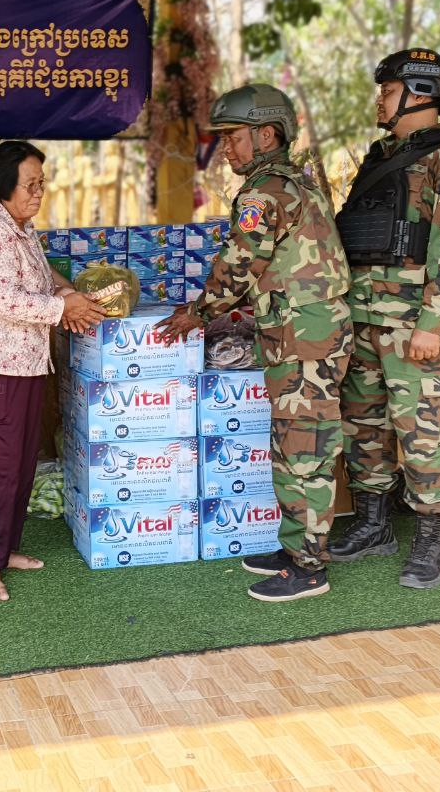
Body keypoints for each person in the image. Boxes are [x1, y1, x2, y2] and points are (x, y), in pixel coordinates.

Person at [158, 84, 353, 603]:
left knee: (303, 450)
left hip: (305, 338)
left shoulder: (264, 191)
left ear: (267, 134)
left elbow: (240, 264)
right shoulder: (293, 181)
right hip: (304, 331)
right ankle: (296, 549)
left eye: (233, 137)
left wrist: (198, 313)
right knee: (293, 444)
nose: (225, 148)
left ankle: (309, 568)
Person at [331, 49, 440, 590]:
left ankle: (432, 538)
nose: (380, 99)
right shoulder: (381, 156)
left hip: (414, 324)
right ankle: (374, 523)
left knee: (425, 432)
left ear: (419, 94)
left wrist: (433, 324)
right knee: (363, 423)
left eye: (389, 90)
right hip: (364, 315)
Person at [0, 140, 106, 602]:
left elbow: (38, 283)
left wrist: (69, 296)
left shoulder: (20, 228)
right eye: (30, 185)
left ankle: (5, 548)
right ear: (4, 185)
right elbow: (4, 300)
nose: (39, 192)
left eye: (41, 183)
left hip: (24, 364)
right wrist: (62, 308)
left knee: (18, 464)